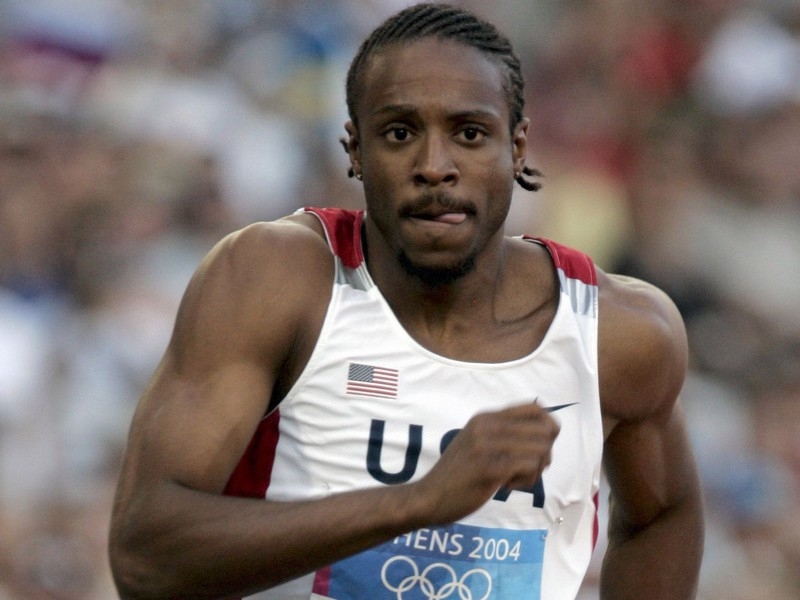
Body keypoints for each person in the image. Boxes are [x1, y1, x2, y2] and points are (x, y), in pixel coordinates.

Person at [108, 4, 704, 599]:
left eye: (470, 134)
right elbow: (144, 559)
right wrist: (419, 501)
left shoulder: (618, 333)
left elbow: (661, 515)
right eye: (399, 133)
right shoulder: (276, 280)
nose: (434, 167)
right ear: (356, 151)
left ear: (517, 147)